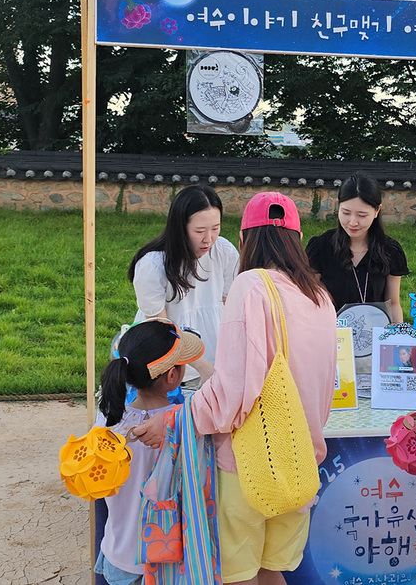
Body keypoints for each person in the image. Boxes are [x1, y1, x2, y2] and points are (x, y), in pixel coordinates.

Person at [134, 191, 338, 585]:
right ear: (297, 239)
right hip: (300, 464)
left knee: (238, 576)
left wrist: (179, 421)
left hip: (249, 467)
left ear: (244, 240)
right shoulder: (320, 296)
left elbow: (232, 390)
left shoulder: (252, 286)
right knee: (270, 572)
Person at [94, 318, 210, 585]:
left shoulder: (107, 417)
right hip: (169, 561)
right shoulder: (185, 422)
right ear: (173, 376)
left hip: (118, 553)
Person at [128, 184, 239, 380]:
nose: (208, 239)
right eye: (199, 231)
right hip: (168, 363)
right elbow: (161, 328)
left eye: (215, 228)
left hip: (216, 357)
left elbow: (229, 306)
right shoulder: (152, 265)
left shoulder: (224, 251)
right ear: (180, 227)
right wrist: (202, 366)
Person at [306, 173, 409, 323]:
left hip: (377, 333)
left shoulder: (390, 250)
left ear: (377, 211)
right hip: (332, 335)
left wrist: (396, 336)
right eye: (346, 213)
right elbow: (311, 299)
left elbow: (393, 303)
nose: (353, 222)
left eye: (362, 215)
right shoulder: (321, 247)